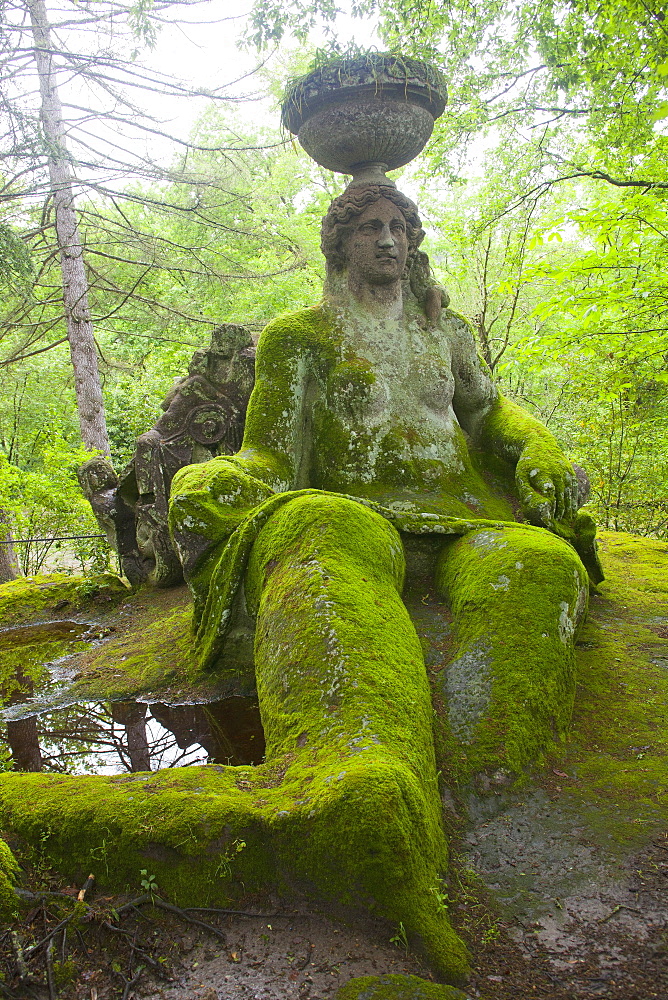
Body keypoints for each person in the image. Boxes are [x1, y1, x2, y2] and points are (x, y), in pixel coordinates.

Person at [168, 183, 599, 980]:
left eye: (400, 228)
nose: (390, 242)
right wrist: (219, 476)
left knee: (539, 565)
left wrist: (539, 449)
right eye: (371, 229)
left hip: (463, 515)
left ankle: (487, 787)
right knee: (328, 537)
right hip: (355, 506)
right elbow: (269, 454)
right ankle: (370, 788)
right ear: (340, 244)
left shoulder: (446, 331)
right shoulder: (300, 337)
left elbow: (494, 417)